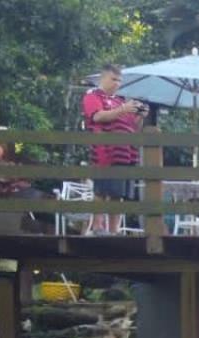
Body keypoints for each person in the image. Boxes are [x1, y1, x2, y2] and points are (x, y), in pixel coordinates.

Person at [81, 63, 147, 235]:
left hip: (125, 153)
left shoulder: (120, 101)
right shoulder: (92, 96)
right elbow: (98, 116)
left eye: (119, 80)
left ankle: (114, 230)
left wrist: (140, 116)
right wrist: (123, 109)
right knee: (101, 190)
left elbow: (134, 127)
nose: (117, 83)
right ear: (103, 78)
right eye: (114, 79)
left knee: (119, 193)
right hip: (104, 150)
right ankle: (97, 227)